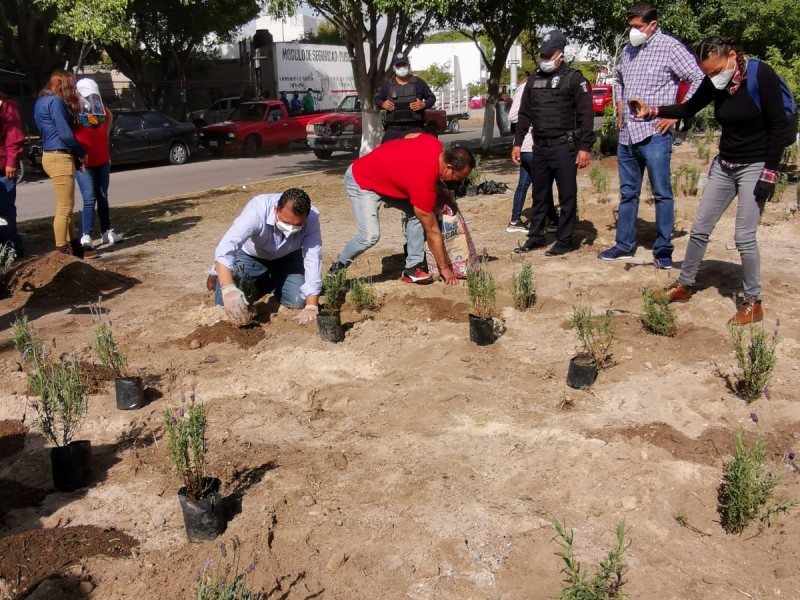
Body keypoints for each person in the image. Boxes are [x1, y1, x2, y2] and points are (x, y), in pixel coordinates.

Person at [632, 36, 792, 325]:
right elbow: (688, 109)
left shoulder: (760, 74)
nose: (713, 77)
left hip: (755, 165)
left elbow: (779, 126)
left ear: (732, 56)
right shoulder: (716, 82)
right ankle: (685, 284)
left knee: (743, 236)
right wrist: (651, 110)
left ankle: (753, 301)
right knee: (700, 228)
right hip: (725, 164)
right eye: (708, 73)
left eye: (716, 71)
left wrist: (770, 171)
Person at [597, 2, 705, 268]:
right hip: (627, 135)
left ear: (653, 25)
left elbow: (699, 78)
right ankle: (624, 245)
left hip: (655, 133)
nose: (633, 31)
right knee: (627, 193)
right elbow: (619, 80)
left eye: (638, 27)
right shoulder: (629, 49)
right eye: (631, 26)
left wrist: (677, 113)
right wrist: (620, 107)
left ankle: (663, 249)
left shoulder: (670, 47)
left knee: (662, 194)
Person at [330, 134, 474, 286]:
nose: (460, 182)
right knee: (369, 236)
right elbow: (432, 231)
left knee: (416, 214)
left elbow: (409, 136)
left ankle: (413, 268)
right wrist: (444, 268)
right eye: (459, 177)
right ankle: (336, 269)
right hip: (361, 180)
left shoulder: (433, 143)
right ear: (449, 168)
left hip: (385, 182)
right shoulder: (424, 184)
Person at [511, 30, 595, 256]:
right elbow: (524, 113)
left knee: (567, 195)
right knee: (540, 195)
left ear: (561, 54)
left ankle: (564, 239)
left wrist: (585, 147)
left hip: (564, 147)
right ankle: (536, 237)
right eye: (543, 55)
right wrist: (518, 142)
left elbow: (587, 116)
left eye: (550, 55)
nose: (545, 59)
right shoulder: (533, 80)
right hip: (539, 147)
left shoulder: (575, 79)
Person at [212, 188, 322, 325]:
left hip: (287, 257)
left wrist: (311, 306)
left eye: (298, 225)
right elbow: (226, 247)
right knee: (225, 304)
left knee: (298, 301)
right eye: (286, 222)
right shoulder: (257, 210)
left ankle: (272, 281)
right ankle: (255, 280)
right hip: (251, 256)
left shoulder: (311, 219)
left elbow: (313, 258)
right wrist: (227, 289)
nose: (291, 229)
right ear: (276, 210)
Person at [33, 70, 88, 256]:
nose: (71, 90)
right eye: (69, 86)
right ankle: (61, 252)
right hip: (60, 156)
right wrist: (82, 152)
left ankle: (75, 248)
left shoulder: (41, 101)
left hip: (49, 154)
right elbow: (65, 134)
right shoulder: (55, 102)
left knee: (67, 206)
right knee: (64, 208)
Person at [74, 78, 123, 256]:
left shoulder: (100, 110)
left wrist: (105, 136)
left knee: (103, 196)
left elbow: (109, 117)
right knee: (89, 198)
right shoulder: (74, 111)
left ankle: (106, 231)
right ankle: (86, 235)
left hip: (102, 159)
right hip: (84, 162)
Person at [506, 75, 558, 234]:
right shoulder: (525, 89)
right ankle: (549, 221)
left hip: (529, 145)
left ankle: (515, 220)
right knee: (543, 184)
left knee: (525, 183)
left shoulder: (534, 88)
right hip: (529, 145)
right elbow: (513, 116)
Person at [375, 52, 436, 143]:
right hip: (393, 130)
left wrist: (423, 104)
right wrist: (383, 103)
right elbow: (377, 99)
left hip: (415, 129)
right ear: (394, 68)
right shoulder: (388, 85)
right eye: (399, 65)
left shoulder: (418, 82)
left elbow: (431, 98)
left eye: (404, 64)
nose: (402, 67)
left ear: (409, 65)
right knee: (384, 154)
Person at [0, 91, 25, 257]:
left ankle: (9, 248)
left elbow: (13, 135)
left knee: (4, 210)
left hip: (2, 167)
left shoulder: (5, 103)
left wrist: (11, 161)